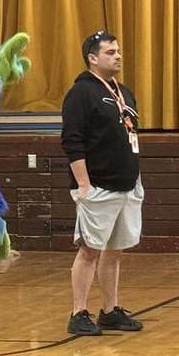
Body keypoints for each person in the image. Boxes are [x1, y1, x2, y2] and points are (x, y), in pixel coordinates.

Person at [59, 30, 144, 336]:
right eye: (110, 52)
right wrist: (83, 185)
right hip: (99, 186)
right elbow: (72, 140)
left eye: (118, 51)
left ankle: (110, 310)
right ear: (92, 59)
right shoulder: (81, 93)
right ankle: (78, 312)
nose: (118, 56)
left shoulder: (124, 92)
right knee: (90, 250)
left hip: (127, 184)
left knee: (115, 249)